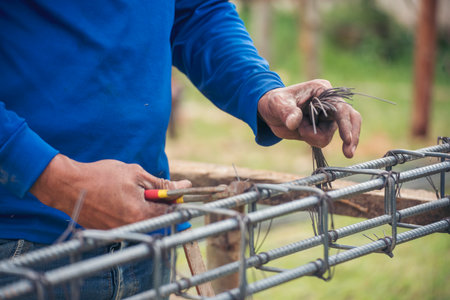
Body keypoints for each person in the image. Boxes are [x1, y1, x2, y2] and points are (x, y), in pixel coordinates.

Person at [0, 0, 361, 298]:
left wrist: (261, 91)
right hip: (21, 250)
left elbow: (195, 13)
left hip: (148, 244)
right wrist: (55, 179)